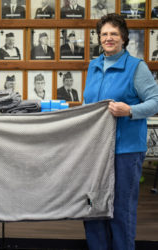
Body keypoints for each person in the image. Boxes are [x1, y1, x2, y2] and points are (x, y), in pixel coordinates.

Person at [83, 13, 158, 250]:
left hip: (125, 151)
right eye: (104, 34)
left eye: (114, 34)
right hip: (95, 151)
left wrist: (130, 110)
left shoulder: (137, 67)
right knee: (93, 207)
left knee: (121, 210)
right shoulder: (93, 66)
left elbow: (155, 101)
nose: (108, 38)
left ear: (123, 38)